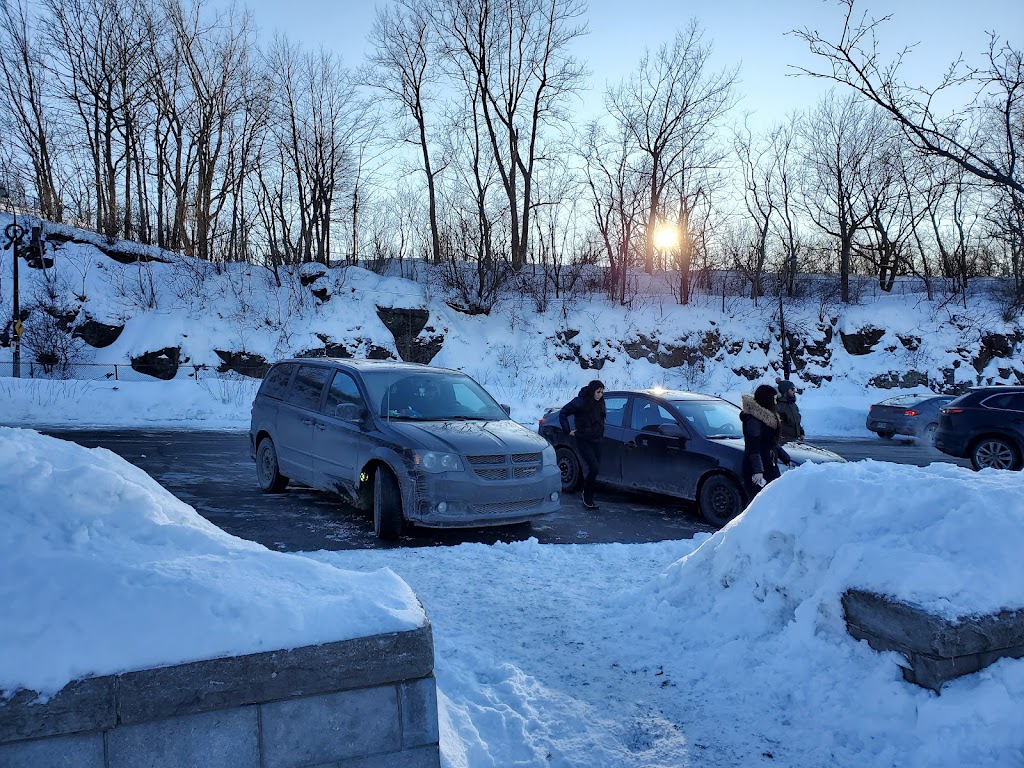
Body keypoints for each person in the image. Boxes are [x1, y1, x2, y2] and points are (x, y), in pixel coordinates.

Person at [558, 379, 607, 510]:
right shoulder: (580, 401)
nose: (600, 394)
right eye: (598, 392)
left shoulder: (601, 402)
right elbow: (563, 413)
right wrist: (567, 430)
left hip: (597, 440)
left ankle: (588, 494)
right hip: (584, 440)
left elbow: (601, 418)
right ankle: (587, 497)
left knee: (594, 470)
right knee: (594, 468)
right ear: (592, 391)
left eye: (602, 392)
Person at [740, 384, 792, 499]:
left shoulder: (768, 418)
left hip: (769, 464)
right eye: (773, 399)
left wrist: (785, 457)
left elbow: (770, 441)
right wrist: (758, 470)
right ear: (766, 399)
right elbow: (752, 446)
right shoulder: (753, 419)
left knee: (773, 499)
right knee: (761, 502)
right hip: (758, 469)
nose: (776, 402)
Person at [775, 379, 805, 444]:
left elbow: (796, 422)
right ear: (785, 391)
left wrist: (801, 432)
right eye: (792, 389)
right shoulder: (778, 406)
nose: (794, 391)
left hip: (793, 442)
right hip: (782, 443)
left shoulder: (793, 405)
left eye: (794, 389)